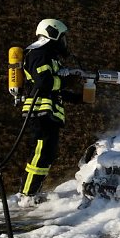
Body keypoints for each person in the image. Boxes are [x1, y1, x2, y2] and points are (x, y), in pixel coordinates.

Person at [18, 19, 82, 206]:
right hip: (39, 112)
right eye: (62, 37)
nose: (64, 42)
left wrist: (77, 98)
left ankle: (32, 191)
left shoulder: (50, 56)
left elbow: (54, 89)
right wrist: (66, 80)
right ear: (53, 35)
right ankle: (27, 195)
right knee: (40, 153)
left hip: (48, 112)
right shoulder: (38, 53)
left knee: (47, 153)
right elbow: (44, 83)